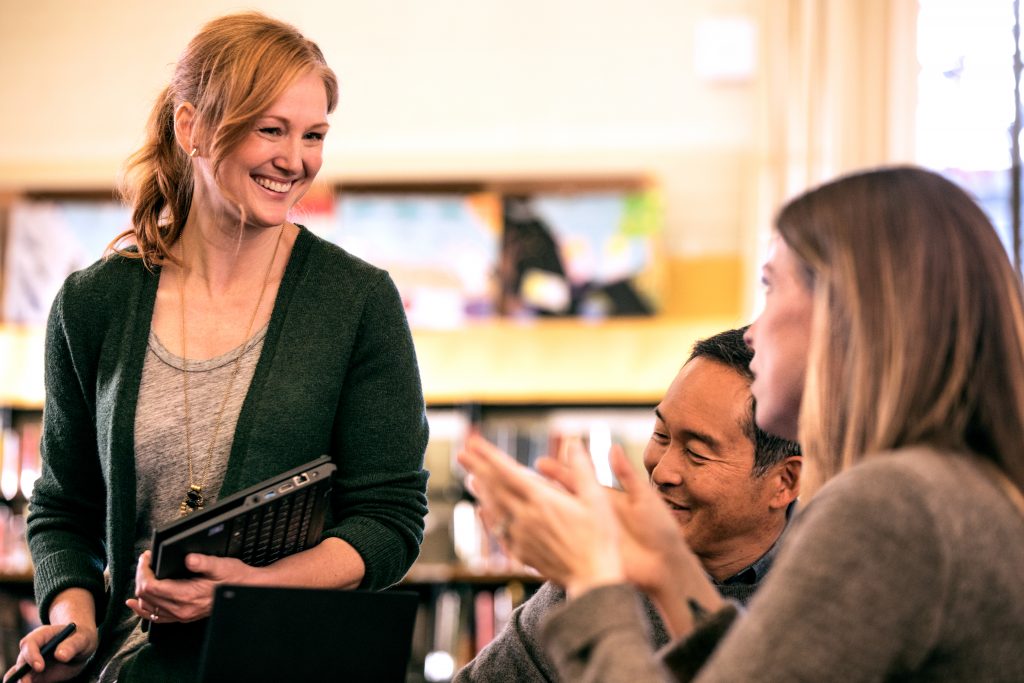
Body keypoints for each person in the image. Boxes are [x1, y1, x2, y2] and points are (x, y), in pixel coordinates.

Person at [462, 166, 1024, 681]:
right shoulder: (956, 491)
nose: (752, 331)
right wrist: (669, 571)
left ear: (848, 312)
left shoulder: (892, 506)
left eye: (772, 286)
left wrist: (589, 579)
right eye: (662, 435)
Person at [5, 13, 429, 683]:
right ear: (191, 127)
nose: (296, 160)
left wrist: (247, 591)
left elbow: (389, 519)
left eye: (313, 134)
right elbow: (64, 509)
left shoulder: (358, 302)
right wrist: (75, 623)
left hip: (291, 667)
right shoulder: (92, 304)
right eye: (271, 129)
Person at [455, 327, 801, 682]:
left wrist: (595, 588)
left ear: (784, 482)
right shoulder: (608, 564)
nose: (662, 470)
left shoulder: (826, 589)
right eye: (660, 435)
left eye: (697, 453)